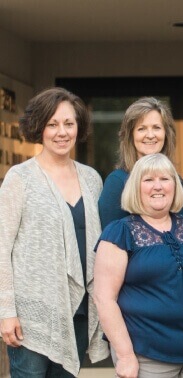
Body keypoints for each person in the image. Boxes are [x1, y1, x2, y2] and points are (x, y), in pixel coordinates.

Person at [0, 87, 109, 376]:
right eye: (52, 124)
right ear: (39, 127)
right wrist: (6, 312)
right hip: (31, 316)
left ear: (78, 127)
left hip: (79, 313)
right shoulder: (19, 178)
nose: (61, 132)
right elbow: (2, 248)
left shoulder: (91, 178)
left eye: (69, 124)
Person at [94, 153, 183, 378]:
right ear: (135, 188)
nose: (157, 186)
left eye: (165, 179)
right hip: (146, 355)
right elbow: (104, 298)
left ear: (175, 185)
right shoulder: (120, 232)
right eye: (148, 180)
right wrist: (126, 355)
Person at [99, 97, 182, 230]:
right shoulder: (117, 182)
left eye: (156, 127)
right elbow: (110, 240)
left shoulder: (177, 182)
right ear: (130, 136)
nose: (150, 135)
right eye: (141, 129)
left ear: (166, 134)